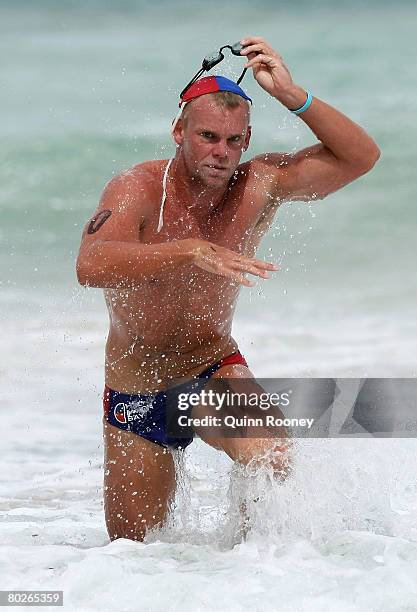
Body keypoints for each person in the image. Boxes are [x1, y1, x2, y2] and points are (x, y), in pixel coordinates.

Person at [76, 36, 380, 542]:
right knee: (134, 556)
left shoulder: (258, 184)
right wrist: (188, 248)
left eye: (233, 140)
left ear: (247, 140)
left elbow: (360, 158)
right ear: (179, 131)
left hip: (211, 367)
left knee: (270, 457)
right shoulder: (139, 188)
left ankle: (247, 576)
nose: (221, 152)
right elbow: (91, 264)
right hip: (137, 390)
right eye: (208, 136)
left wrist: (293, 95)